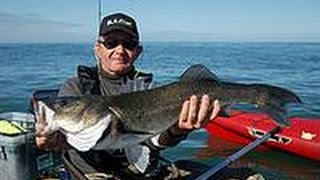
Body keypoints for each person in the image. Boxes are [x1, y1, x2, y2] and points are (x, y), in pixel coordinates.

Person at [35, 12, 221, 179]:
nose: (119, 50)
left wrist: (176, 132)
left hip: (145, 172)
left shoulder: (148, 89)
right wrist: (51, 140)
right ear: (97, 49)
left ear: (138, 51)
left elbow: (152, 142)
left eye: (128, 44)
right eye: (110, 43)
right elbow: (67, 137)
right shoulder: (77, 88)